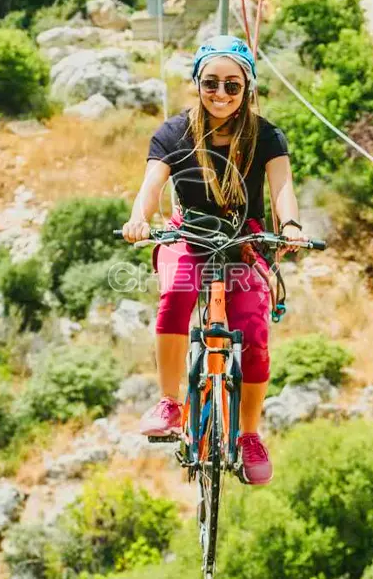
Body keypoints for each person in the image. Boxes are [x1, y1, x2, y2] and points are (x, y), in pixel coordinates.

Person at [123, 35, 306, 486]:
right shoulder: (173, 134)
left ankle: (248, 434)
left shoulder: (265, 135)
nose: (221, 94)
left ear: (247, 89)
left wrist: (292, 227)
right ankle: (170, 402)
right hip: (188, 232)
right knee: (176, 296)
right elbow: (151, 186)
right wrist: (138, 219)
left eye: (232, 86)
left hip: (245, 237)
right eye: (211, 83)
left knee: (254, 328)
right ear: (196, 83)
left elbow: (282, 187)